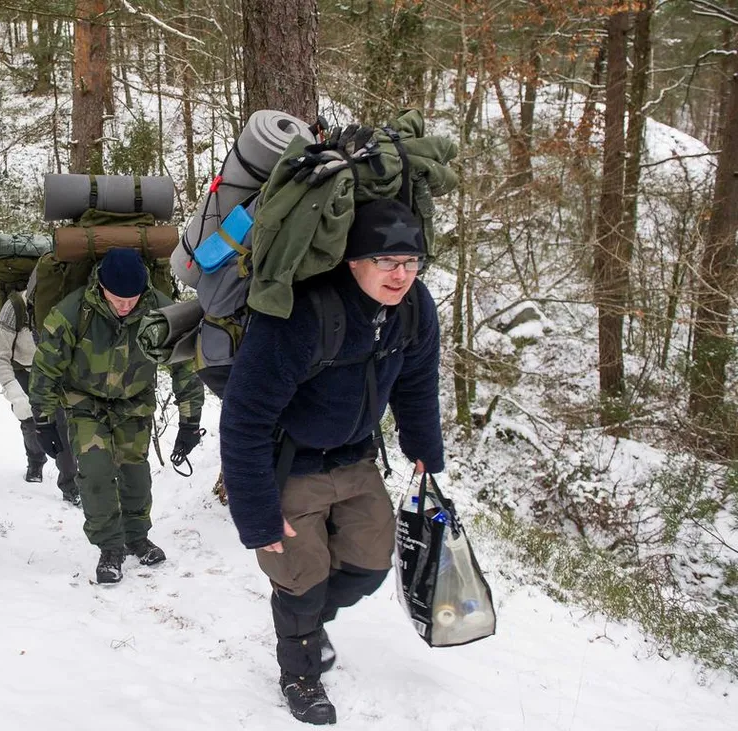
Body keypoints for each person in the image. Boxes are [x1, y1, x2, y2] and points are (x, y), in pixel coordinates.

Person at [220, 198, 444, 725]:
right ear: (352, 261)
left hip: (355, 458)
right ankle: (299, 672)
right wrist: (256, 516)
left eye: (412, 263)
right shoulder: (301, 314)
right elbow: (244, 418)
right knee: (301, 574)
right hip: (290, 463)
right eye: (387, 262)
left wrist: (423, 450)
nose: (401, 275)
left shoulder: (413, 309)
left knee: (370, 562)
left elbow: (416, 382)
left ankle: (308, 618)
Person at [29, 248, 205, 585]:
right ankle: (110, 547)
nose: (126, 305)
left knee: (135, 472)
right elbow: (45, 369)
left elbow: (185, 366)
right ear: (101, 286)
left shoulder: (161, 309)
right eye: (117, 298)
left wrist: (190, 422)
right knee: (95, 472)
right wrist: (44, 420)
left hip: (133, 401)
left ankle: (137, 537)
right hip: (85, 402)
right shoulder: (72, 311)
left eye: (133, 298)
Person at [0, 274, 79, 504]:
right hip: (23, 369)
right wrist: (13, 391)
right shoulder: (14, 308)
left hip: (54, 371)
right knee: (31, 422)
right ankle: (36, 462)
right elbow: (0, 356)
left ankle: (71, 486)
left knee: (62, 426)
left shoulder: (63, 306)